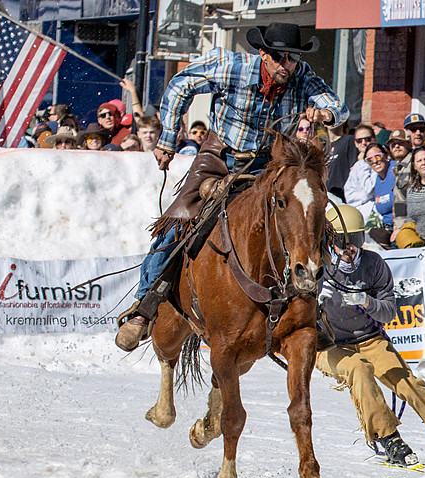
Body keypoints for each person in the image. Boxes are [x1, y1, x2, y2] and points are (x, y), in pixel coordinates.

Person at [115, 22, 348, 352]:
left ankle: (310, 306)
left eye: (293, 58)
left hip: (269, 162)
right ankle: (145, 305)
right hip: (219, 155)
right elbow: (180, 85)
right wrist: (167, 140)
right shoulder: (231, 66)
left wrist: (325, 111)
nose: (287, 65)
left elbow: (339, 106)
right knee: (178, 220)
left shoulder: (302, 74)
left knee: (307, 220)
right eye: (281, 57)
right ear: (263, 53)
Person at [317, 205, 425, 472]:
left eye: (356, 240)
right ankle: (389, 438)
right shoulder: (317, 266)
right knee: (358, 370)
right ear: (329, 241)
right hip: (330, 344)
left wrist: (366, 300)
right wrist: (313, 299)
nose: (350, 248)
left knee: (409, 385)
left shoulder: (373, 264)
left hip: (370, 338)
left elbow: (388, 312)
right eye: (342, 241)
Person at [326, 121, 357, 202]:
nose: (331, 121)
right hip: (327, 195)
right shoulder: (324, 146)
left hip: (342, 196)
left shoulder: (349, 140)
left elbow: (353, 168)